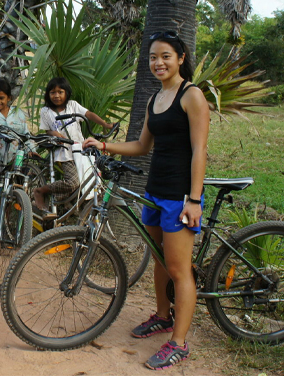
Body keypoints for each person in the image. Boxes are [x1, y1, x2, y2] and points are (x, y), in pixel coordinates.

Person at [83, 31, 209, 371]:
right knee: (159, 260)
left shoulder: (191, 95)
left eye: (166, 56)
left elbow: (200, 150)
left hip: (180, 196)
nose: (159, 62)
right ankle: (163, 316)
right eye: (154, 57)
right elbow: (141, 146)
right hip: (154, 191)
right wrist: (104, 145)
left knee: (181, 271)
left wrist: (194, 199)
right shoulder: (156, 99)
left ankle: (179, 343)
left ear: (181, 58)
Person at [33, 77, 113, 211]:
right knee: (72, 183)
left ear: (67, 93)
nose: (56, 95)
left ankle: (65, 203)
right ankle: (41, 190)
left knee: (92, 179)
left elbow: (88, 114)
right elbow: (47, 129)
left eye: (60, 92)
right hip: (64, 151)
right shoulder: (45, 111)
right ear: (48, 94)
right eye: (53, 92)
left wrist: (105, 124)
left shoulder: (73, 105)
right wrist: (54, 134)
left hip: (81, 148)